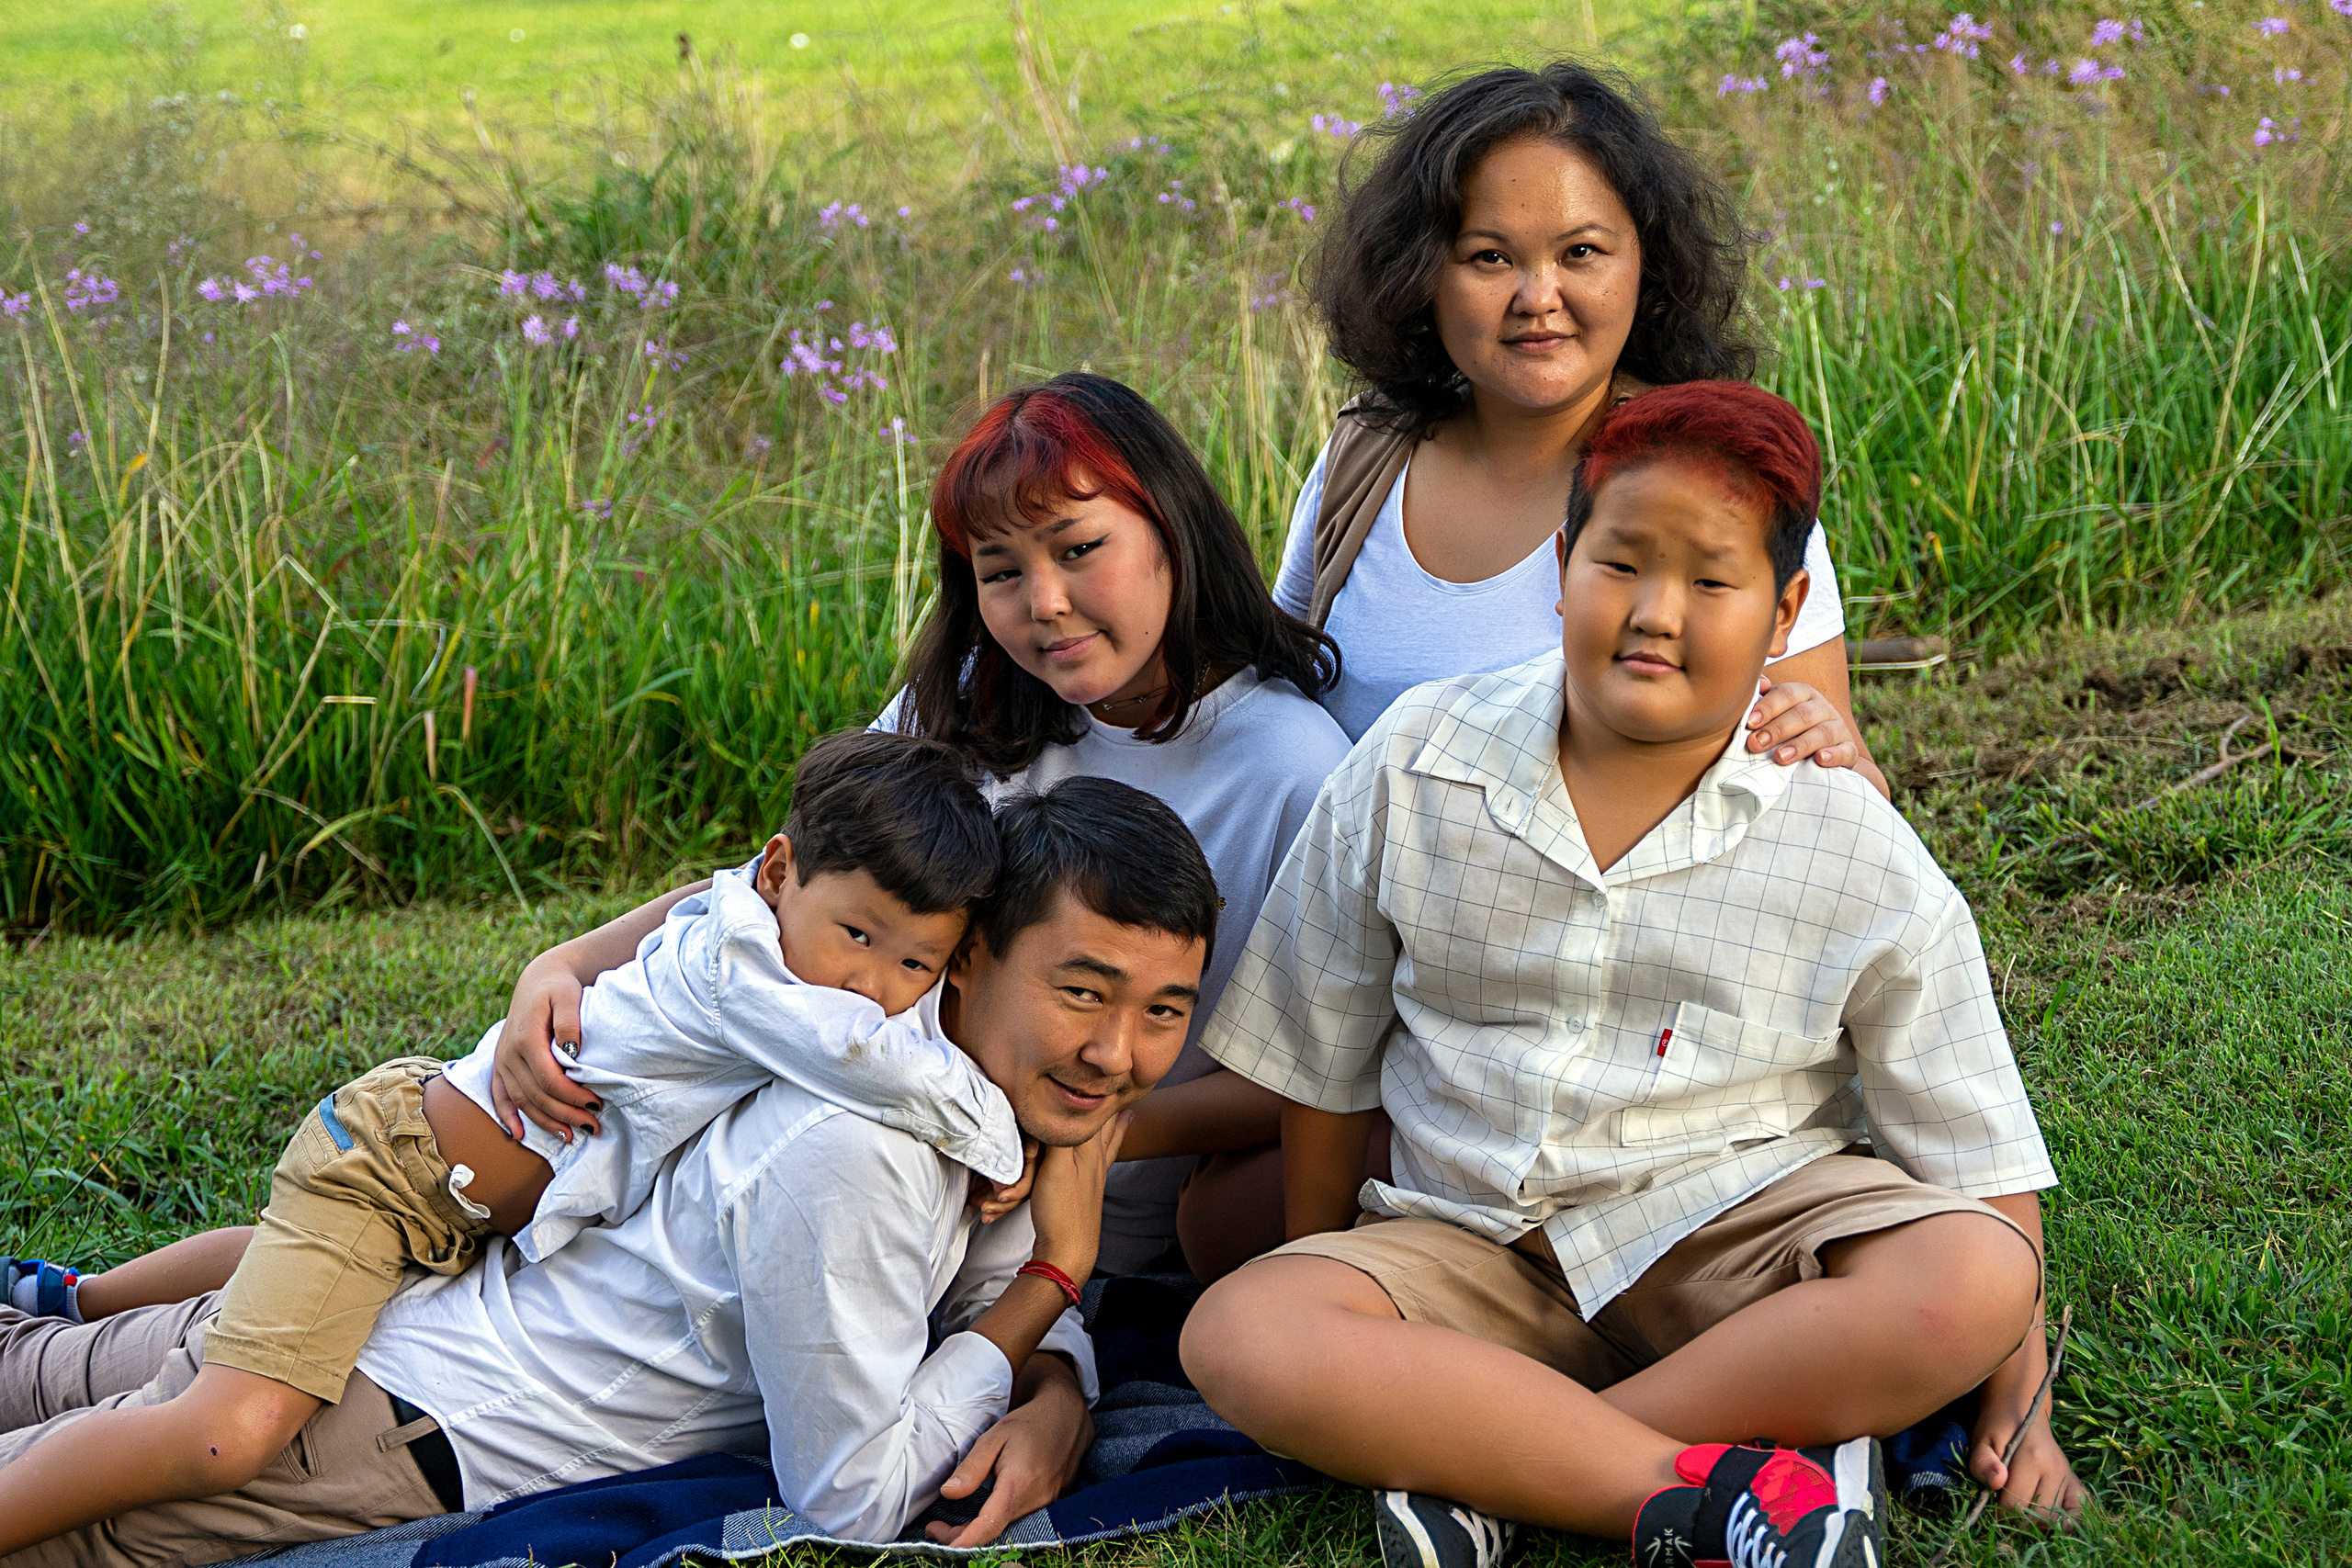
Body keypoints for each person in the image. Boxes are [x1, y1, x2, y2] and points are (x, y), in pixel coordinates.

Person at [1180, 383, 2082, 1568]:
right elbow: (1321, 1057)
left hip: (1732, 1244)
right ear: (1560, 563)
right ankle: (1694, 1496)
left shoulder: (1844, 834)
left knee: (1971, 1272)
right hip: (1472, 1240)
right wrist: (1321, 1265)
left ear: (1783, 607)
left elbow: (1976, 1155)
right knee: (1244, 1330)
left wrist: (2021, 1390)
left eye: (1711, 582)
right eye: (1621, 565)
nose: (1657, 614)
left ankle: (1502, 1469)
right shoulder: (1418, 760)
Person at [0, 776, 1218, 1566]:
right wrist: (1058, 1277)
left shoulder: (952, 1087)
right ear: (974, 963)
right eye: (1082, 991)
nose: (1119, 1052)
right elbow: (854, 1495)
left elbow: (983, 1298)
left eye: (1166, 1009)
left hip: (406, 1301)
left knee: (37, 1365)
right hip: (394, 1425)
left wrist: (1055, 1380)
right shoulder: (873, 1139)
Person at [503, 372, 1354, 1280]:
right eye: (1001, 573)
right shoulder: (965, 702)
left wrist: (1083, 1133)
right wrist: (563, 965)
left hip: (1060, 1227)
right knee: (523, 1155)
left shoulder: (1291, 767)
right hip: (845, 1135)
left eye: (1077, 549)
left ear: (1171, 532)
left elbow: (1316, 1079)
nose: (1045, 602)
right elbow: (796, 888)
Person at [1275, 60, 1888, 795]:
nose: (1539, 297)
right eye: (1490, 256)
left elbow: (1848, 792)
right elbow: (1281, 710)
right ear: (1421, 273)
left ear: (1646, 263)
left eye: (1581, 253)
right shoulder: (1364, 457)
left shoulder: (1720, 480)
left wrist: (1832, 755)